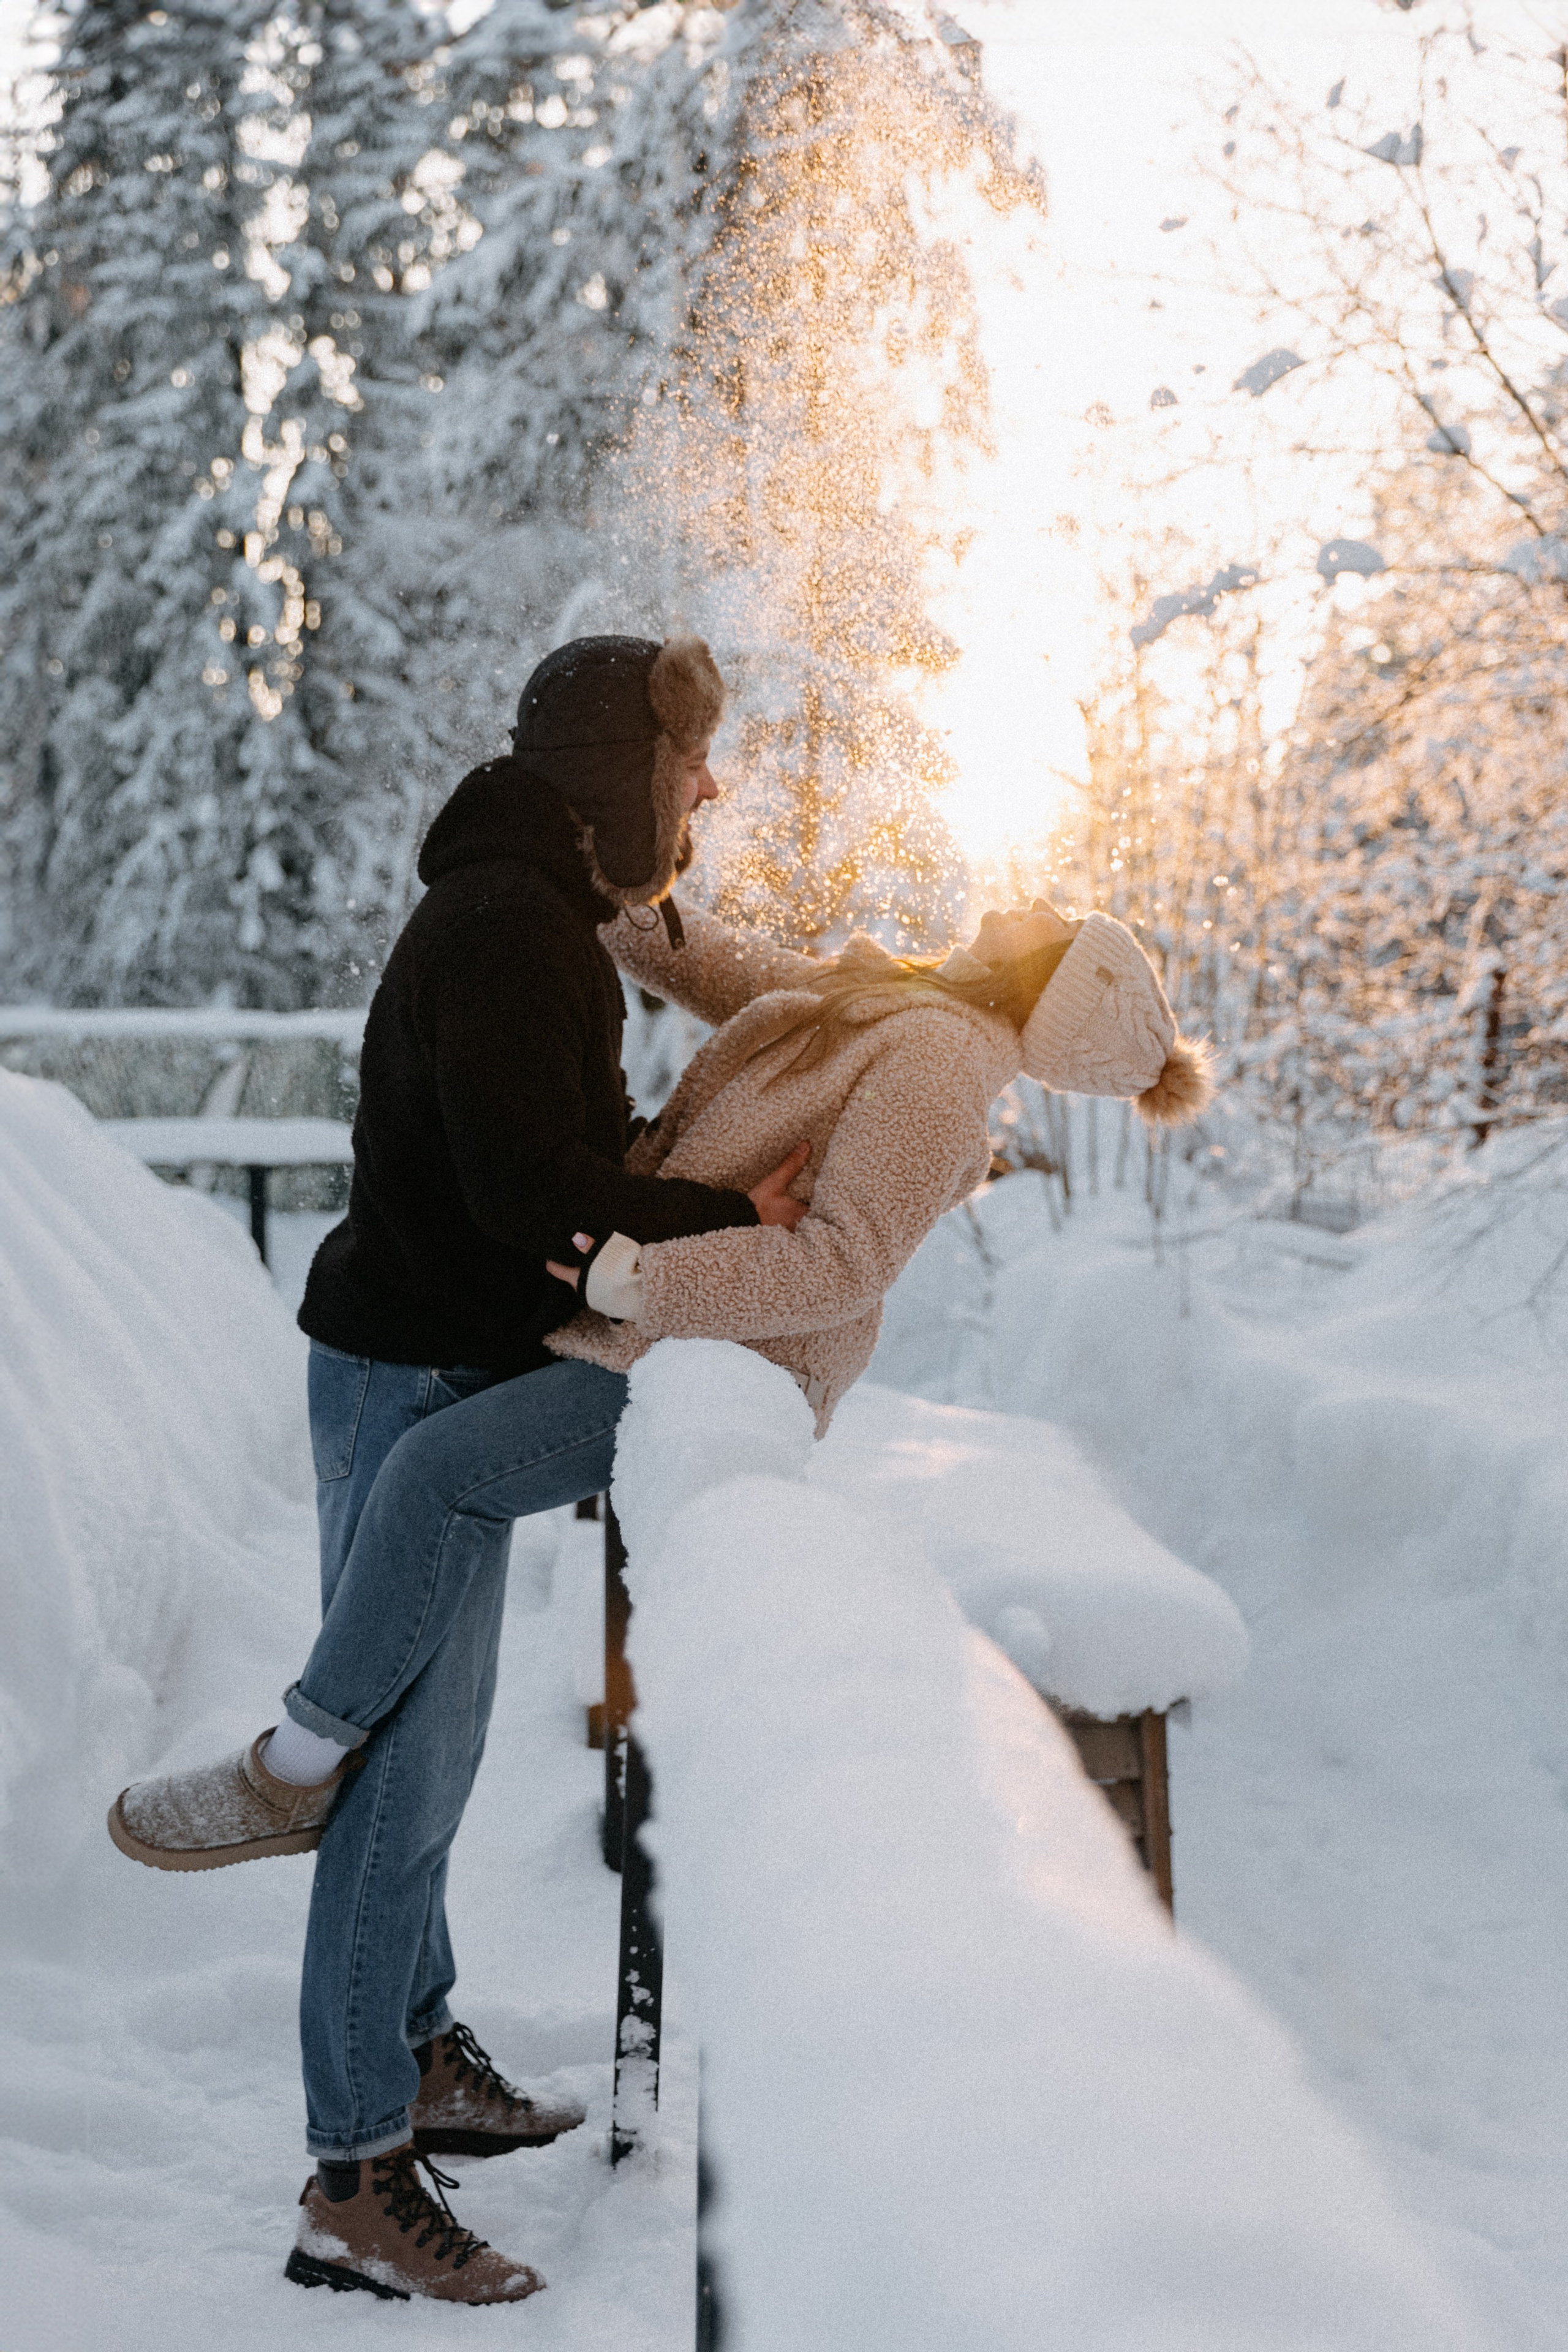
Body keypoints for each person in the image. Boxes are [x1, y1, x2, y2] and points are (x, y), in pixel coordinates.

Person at [105, 633, 812, 2307]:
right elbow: (527, 1198)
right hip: (410, 1374)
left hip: (421, 1363)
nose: (710, 788)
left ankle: (415, 2056)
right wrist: (734, 1225)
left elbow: (543, 1162)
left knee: (435, 1758)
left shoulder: (533, 915)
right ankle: (352, 2175)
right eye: (689, 760)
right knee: (398, 1790)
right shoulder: (509, 934)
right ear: (616, 775)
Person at [542, 895, 1212, 1425]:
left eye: (1059, 927)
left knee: (442, 1474)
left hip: (730, 1367)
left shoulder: (940, 1064)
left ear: (1052, 983)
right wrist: (608, 887)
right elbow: (720, 966)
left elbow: (844, 1264)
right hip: (670, 1338)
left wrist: (642, 1283)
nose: (1038, 904)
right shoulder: (899, 1005)